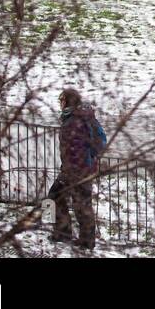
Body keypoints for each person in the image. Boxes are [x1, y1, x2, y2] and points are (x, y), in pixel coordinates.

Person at [49, 88, 101, 250]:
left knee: (79, 204)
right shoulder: (72, 118)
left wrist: (75, 168)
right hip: (73, 170)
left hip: (78, 171)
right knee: (55, 199)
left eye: (61, 100)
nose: (60, 103)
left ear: (68, 101)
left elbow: (82, 148)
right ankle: (66, 234)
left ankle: (83, 240)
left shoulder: (76, 120)